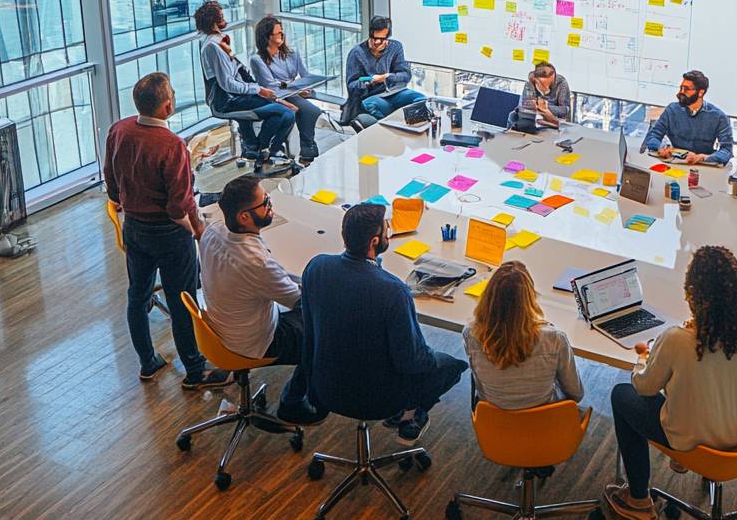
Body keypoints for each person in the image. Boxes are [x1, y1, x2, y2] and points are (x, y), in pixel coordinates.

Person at [606, 246, 737, 520]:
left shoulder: (679, 340)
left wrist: (642, 358)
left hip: (701, 444)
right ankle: (682, 464)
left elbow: (645, 387)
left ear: (693, 294)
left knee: (622, 394)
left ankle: (638, 499)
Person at [103, 72, 231, 390]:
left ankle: (148, 363)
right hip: (169, 235)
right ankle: (195, 371)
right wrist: (198, 229)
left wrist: (124, 200)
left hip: (134, 227)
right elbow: (179, 204)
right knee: (182, 300)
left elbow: (110, 179)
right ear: (167, 105)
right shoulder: (173, 145)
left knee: (137, 296)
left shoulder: (118, 130)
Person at [299, 202, 467, 443]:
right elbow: (412, 360)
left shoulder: (317, 267)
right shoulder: (393, 291)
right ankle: (409, 414)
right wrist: (433, 357)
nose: (389, 231)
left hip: (325, 385)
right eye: (386, 229)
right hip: (378, 398)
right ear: (374, 242)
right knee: (452, 365)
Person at [198, 175, 317, 424]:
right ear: (244, 217)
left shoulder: (213, 230)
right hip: (254, 341)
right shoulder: (255, 262)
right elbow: (298, 299)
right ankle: (292, 402)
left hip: (219, 327)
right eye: (265, 202)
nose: (270, 205)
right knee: (323, 329)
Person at [463, 261, 583, 410]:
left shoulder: (471, 334)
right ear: (529, 298)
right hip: (547, 423)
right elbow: (576, 393)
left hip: (494, 424)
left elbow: (480, 387)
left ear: (488, 296)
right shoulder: (554, 339)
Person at [195, 0, 295, 161]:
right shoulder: (213, 47)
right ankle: (261, 149)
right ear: (214, 22)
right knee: (284, 114)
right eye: (221, 16)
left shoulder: (218, 41)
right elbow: (227, 84)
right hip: (229, 101)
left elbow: (236, 71)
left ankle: (261, 147)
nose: (225, 19)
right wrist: (258, 90)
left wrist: (256, 88)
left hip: (239, 96)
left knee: (287, 114)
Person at [249, 15, 322, 165]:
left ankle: (307, 149)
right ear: (267, 37)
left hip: (292, 93)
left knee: (310, 109)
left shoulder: (292, 53)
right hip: (275, 96)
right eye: (278, 33)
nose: (282, 35)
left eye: (282, 32)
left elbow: (305, 75)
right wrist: (294, 86)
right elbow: (271, 86)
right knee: (310, 111)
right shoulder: (257, 59)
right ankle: (307, 148)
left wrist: (306, 86)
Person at [342, 16, 425, 124]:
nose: (377, 42)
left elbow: (406, 75)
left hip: (395, 92)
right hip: (371, 97)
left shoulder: (395, 47)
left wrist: (386, 77)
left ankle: (409, 126)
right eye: (374, 38)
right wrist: (368, 82)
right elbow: (351, 86)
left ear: (387, 37)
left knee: (421, 99)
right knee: (371, 105)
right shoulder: (357, 53)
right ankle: (394, 126)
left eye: (381, 39)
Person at [643, 70, 734, 165]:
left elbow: (727, 151)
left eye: (686, 89)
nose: (680, 93)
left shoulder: (718, 117)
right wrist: (660, 147)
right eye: (681, 88)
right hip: (674, 163)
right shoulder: (672, 110)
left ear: (700, 93)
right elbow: (653, 135)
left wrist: (703, 157)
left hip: (702, 166)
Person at [515, 63, 570, 130]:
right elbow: (525, 105)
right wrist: (535, 106)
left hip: (552, 121)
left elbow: (565, 110)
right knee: (513, 116)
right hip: (533, 119)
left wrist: (545, 107)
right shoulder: (531, 82)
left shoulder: (562, 83)